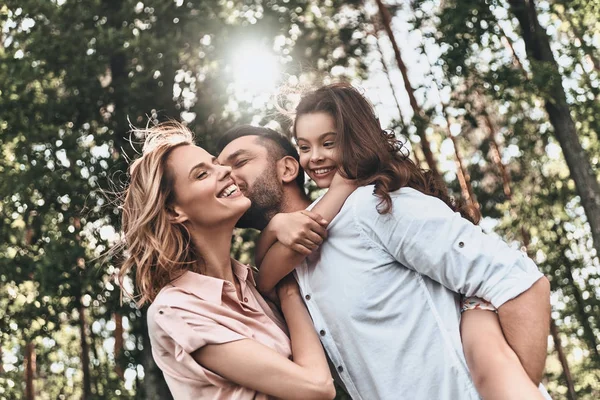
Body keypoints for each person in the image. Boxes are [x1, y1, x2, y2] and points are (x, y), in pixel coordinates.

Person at [217, 84, 552, 399]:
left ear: (288, 169)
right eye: (306, 146)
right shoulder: (285, 271)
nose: (224, 176)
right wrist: (276, 227)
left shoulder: (373, 206)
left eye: (239, 162)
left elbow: (518, 282)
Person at [118, 122, 336, 400]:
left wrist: (275, 228)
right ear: (174, 211)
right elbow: (317, 387)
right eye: (201, 174)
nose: (224, 171)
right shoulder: (177, 310)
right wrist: (288, 287)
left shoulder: (252, 285)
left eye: (215, 164)